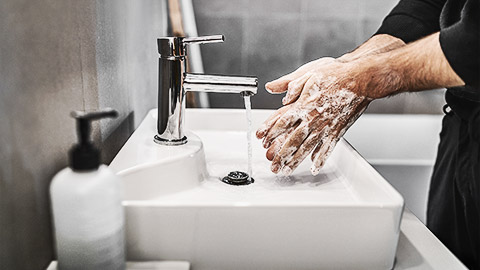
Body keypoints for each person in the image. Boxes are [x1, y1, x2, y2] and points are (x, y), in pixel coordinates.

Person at [256, 0, 479, 268]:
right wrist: (348, 65)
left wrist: (359, 80)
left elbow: (473, 42)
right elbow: (428, 4)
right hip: (460, 126)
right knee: (448, 260)